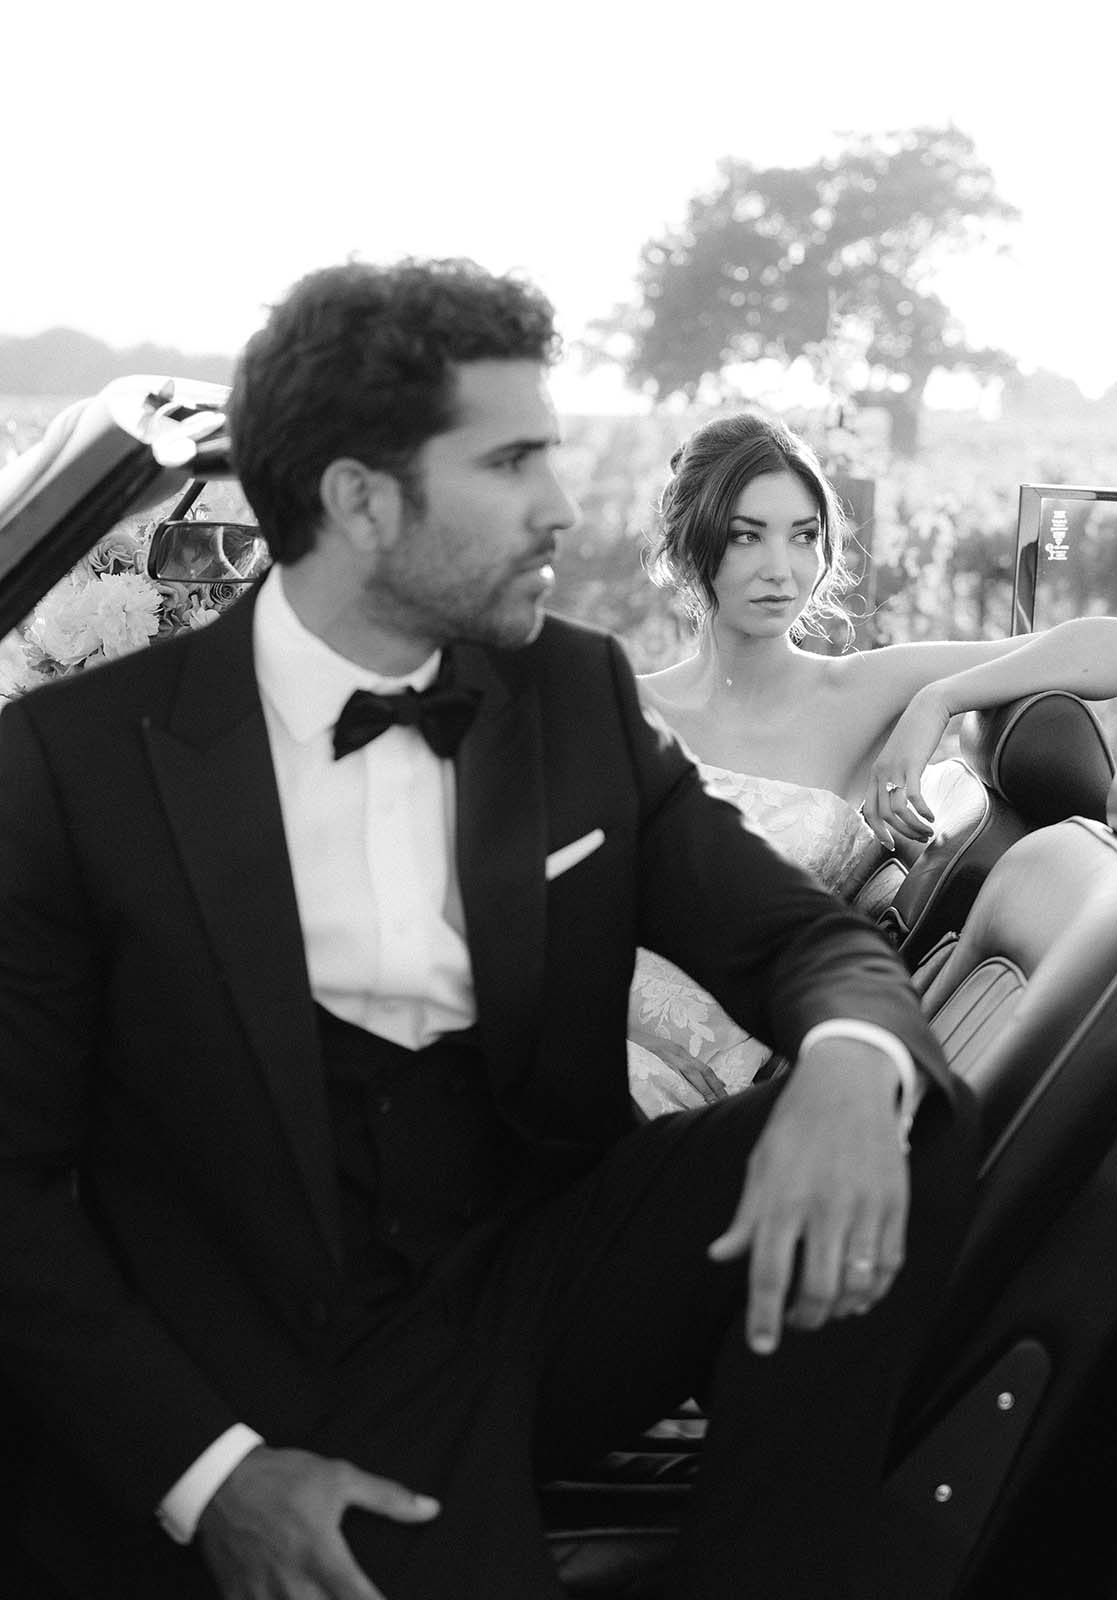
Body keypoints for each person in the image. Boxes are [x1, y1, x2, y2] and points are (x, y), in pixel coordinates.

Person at [0, 260, 977, 1600]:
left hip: (516, 1291)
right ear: (361, 502)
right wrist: (209, 1473)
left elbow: (802, 937)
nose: (563, 509)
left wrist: (851, 1066)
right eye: (509, 464)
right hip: (236, 1361)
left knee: (909, 1110)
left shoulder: (569, 696)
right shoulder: (73, 766)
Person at [628, 412, 1117, 1116]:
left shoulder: (857, 693)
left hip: (700, 1101)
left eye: (803, 535)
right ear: (690, 544)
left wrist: (940, 699)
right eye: (745, 535)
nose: (781, 568)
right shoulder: (624, 707)